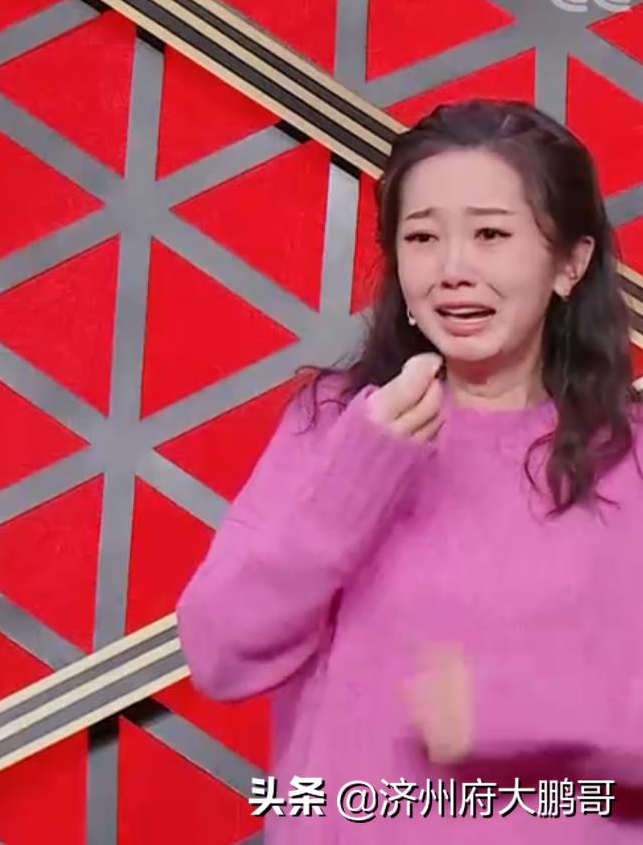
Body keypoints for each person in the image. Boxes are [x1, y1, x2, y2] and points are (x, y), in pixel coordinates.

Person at [176, 98, 643, 843]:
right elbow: (219, 654)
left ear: (570, 263)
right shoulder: (336, 423)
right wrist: (359, 474)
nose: (453, 270)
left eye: (491, 234)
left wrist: (509, 706)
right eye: (423, 237)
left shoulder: (629, 457)